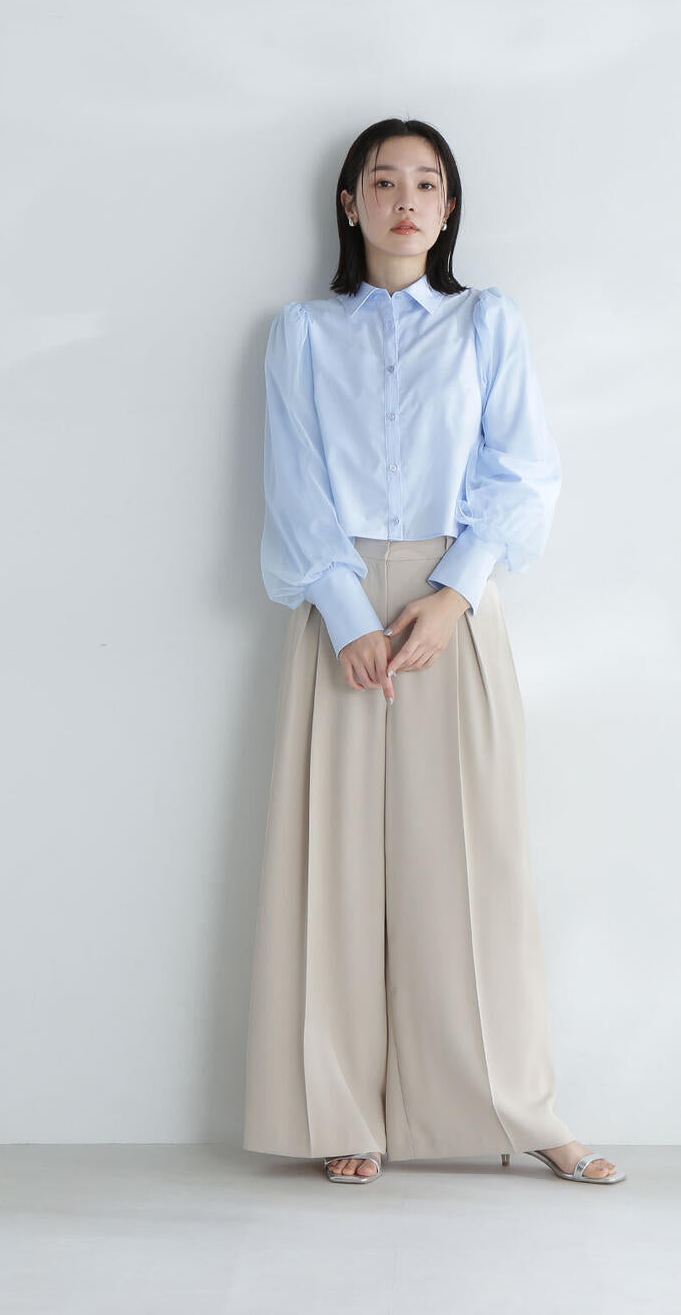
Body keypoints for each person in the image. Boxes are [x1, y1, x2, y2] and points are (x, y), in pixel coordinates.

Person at [242, 117, 625, 1187]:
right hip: (337, 601)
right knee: (332, 863)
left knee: (473, 861)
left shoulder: (484, 322)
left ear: (449, 208)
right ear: (349, 203)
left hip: (456, 600)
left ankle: (518, 1106)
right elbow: (292, 480)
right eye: (382, 181)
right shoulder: (301, 333)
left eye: (426, 183)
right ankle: (337, 1111)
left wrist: (453, 595)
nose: (404, 200)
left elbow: (523, 469)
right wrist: (345, 612)